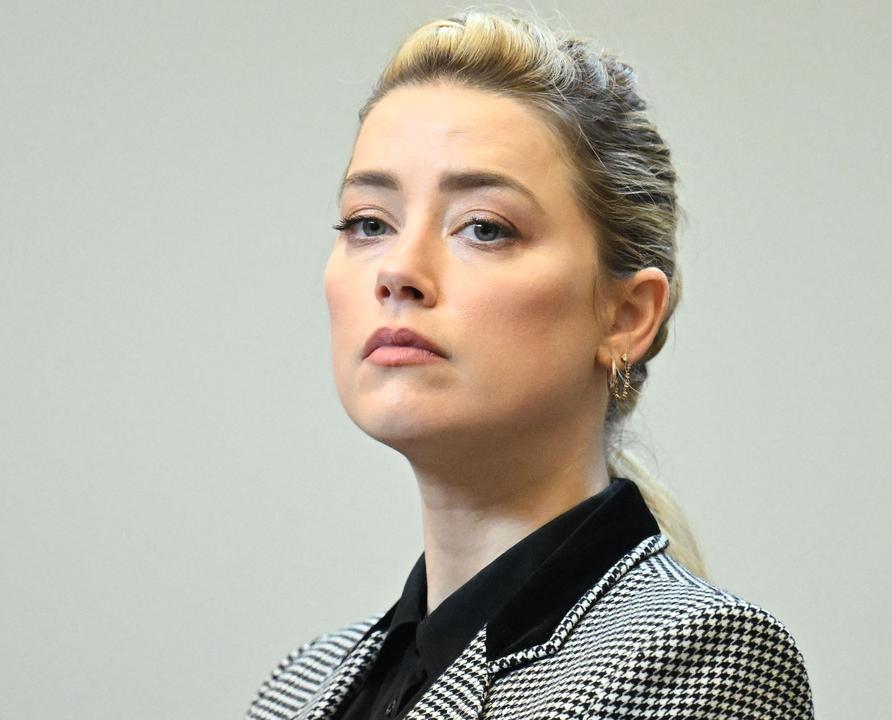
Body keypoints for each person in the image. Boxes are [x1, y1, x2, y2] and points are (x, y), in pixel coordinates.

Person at [245, 10, 814, 720]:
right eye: (368, 222)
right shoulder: (298, 688)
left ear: (626, 316)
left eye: (484, 227)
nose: (397, 271)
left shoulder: (698, 654)